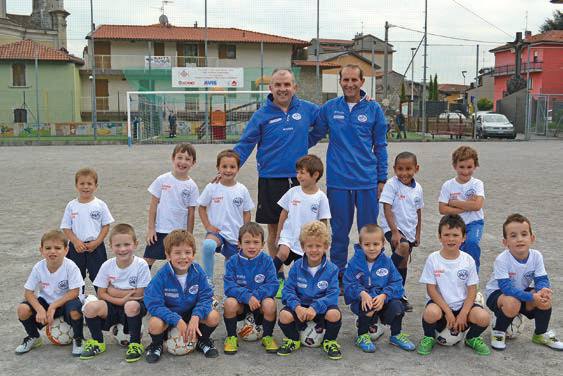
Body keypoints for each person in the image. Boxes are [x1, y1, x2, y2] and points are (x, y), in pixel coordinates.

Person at [309, 64, 388, 288]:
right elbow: (313, 135)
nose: (350, 84)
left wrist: (381, 179)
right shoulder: (329, 108)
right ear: (340, 81)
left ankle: (367, 274)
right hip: (339, 181)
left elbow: (380, 145)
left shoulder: (373, 110)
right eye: (346, 80)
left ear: (363, 82)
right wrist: (289, 151)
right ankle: (340, 275)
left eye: (354, 80)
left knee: (369, 233)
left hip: (366, 181)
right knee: (340, 232)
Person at [233, 68, 320, 263]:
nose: (283, 89)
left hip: (300, 179)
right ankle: (278, 276)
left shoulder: (308, 109)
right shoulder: (261, 115)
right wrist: (228, 167)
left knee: (304, 227)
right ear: (270, 88)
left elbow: (325, 120)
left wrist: (306, 142)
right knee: (274, 228)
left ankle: (302, 273)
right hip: (270, 178)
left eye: (287, 84)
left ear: (294, 87)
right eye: (278, 85)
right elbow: (245, 144)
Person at [484, 213, 563, 351]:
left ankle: (540, 334)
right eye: (513, 236)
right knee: (513, 302)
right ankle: (498, 332)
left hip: (520, 294)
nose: (519, 239)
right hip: (497, 295)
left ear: (531, 238)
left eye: (524, 234)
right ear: (505, 242)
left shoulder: (536, 256)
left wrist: (542, 289)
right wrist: (531, 296)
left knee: (545, 299)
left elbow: (541, 279)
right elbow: (506, 288)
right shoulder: (502, 259)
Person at [417, 214, 490, 356]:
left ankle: (471, 338)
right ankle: (429, 336)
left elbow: (471, 291)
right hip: (441, 306)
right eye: (446, 235)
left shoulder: (468, 260)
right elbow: (431, 290)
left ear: (463, 237)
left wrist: (463, 313)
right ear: (439, 236)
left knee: (484, 318)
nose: (451, 239)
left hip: (462, 307)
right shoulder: (433, 259)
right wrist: (448, 312)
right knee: (430, 313)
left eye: (455, 235)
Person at [144, 229, 220, 364]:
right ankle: (157, 345)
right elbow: (154, 304)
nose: (183, 257)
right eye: (177, 253)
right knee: (154, 323)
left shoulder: (197, 272)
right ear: (168, 255)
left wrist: (196, 317)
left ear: (193, 254)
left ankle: (202, 341)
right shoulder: (161, 275)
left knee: (213, 316)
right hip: (169, 315)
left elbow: (205, 297)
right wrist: (176, 320)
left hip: (190, 313)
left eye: (187, 253)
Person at [80, 224, 151, 362]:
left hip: (134, 306)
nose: (122, 249)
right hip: (112, 305)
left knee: (131, 305)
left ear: (135, 244)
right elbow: (101, 294)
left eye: (127, 244)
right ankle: (98, 342)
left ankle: (135, 344)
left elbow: (139, 294)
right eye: (117, 245)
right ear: (110, 246)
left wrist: (112, 291)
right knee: (89, 308)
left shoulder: (141, 265)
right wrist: (120, 298)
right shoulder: (107, 265)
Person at [343, 224, 415, 353]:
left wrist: (384, 295)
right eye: (367, 244)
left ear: (383, 244)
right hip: (363, 301)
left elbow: (397, 282)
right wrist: (362, 293)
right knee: (368, 305)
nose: (371, 248)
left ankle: (396, 335)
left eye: (376, 244)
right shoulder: (354, 262)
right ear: (360, 244)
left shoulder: (387, 262)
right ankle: (362, 335)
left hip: (382, 299)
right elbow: (348, 283)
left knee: (398, 306)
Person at [277, 221, 342, 360]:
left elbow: (333, 295)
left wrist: (316, 307)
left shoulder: (332, 269)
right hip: (300, 308)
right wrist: (297, 307)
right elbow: (287, 291)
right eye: (310, 246)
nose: (314, 250)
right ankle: (294, 339)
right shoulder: (296, 267)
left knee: (334, 314)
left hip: (321, 308)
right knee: (283, 315)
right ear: (302, 246)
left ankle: (329, 341)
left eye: (318, 246)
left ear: (325, 247)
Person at [15, 230, 85, 356]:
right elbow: (28, 293)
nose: (52, 251)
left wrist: (54, 306)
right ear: (41, 250)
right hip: (46, 302)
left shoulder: (71, 267)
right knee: (22, 309)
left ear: (66, 250)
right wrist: (40, 309)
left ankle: (79, 338)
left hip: (66, 301)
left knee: (74, 311)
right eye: (48, 248)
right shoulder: (38, 267)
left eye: (57, 248)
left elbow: (75, 292)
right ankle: (34, 337)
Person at [274, 154, 331, 298]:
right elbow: (283, 214)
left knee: (301, 266)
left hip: (306, 241)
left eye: (302, 173)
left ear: (315, 175)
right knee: (282, 254)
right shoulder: (293, 192)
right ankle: (267, 277)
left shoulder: (321, 197)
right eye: (298, 172)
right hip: (288, 235)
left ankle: (300, 290)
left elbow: (323, 221)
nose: (298, 176)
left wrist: (322, 242)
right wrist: (278, 235)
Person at [198, 149, 254, 287]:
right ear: (217, 168)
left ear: (238, 169)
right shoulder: (212, 187)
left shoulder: (242, 190)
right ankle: (208, 279)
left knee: (232, 266)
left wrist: (244, 232)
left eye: (232, 167)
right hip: (217, 232)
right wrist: (207, 226)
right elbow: (201, 207)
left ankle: (228, 291)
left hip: (235, 234)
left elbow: (247, 212)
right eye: (224, 166)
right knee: (208, 245)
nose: (228, 170)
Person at [222, 222, 279, 355]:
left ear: (263, 244)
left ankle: (268, 336)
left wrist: (256, 296)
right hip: (241, 303)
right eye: (247, 242)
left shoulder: (267, 261)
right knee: (229, 303)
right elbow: (229, 286)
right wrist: (247, 297)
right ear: (239, 244)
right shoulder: (232, 262)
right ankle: (231, 337)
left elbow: (273, 285)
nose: (252, 246)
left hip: (259, 303)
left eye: (256, 242)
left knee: (270, 304)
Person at [379, 151, 423, 312]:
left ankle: (398, 294)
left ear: (416, 169)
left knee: (403, 263)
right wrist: (394, 232)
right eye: (400, 169)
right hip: (393, 229)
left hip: (410, 231)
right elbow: (386, 207)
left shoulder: (418, 188)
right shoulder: (392, 185)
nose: (404, 173)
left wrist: (417, 233)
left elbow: (418, 211)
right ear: (394, 169)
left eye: (408, 169)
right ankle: (382, 276)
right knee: (402, 248)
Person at [145, 143, 199, 270]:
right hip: (160, 229)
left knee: (178, 261)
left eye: (187, 159)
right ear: (173, 159)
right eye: (179, 157)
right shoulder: (162, 180)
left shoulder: (192, 186)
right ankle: (143, 287)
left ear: (193, 163)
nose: (182, 162)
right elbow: (153, 205)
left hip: (178, 232)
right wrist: (151, 228)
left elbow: (191, 212)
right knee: (147, 259)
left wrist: (189, 234)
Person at [61, 167, 114, 285]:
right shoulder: (71, 206)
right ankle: (77, 299)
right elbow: (66, 227)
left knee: (99, 275)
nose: (86, 187)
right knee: (76, 275)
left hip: (95, 246)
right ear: (76, 185)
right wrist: (75, 242)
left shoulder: (100, 205)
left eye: (89, 183)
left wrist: (98, 241)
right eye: (82, 183)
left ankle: (103, 299)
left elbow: (106, 225)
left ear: (96, 185)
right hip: (76, 247)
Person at [438, 146, 484, 272]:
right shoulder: (448, 185)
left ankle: (473, 275)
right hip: (455, 223)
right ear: (454, 166)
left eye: (469, 167)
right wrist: (465, 206)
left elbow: (476, 206)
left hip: (474, 222)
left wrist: (453, 203)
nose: (465, 171)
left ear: (475, 166)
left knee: (471, 243)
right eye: (461, 167)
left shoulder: (477, 184)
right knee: (455, 247)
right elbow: (442, 209)